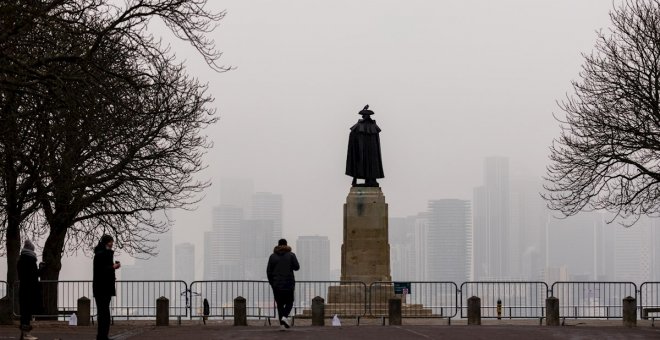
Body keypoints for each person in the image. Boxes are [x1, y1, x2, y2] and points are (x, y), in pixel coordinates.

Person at [346, 104, 385, 187]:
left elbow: (375, 141)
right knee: (361, 163)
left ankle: (371, 179)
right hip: (361, 150)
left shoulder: (372, 126)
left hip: (370, 151)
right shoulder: (360, 126)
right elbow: (353, 137)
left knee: (370, 163)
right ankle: (365, 179)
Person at [266, 239, 300, 329]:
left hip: (276, 285)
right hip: (289, 283)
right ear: (286, 244)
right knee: (290, 302)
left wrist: (272, 283)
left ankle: (282, 325)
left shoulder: (272, 256)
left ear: (278, 245)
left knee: (280, 304)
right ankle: (285, 317)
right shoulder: (291, 255)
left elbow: (268, 271)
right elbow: (297, 267)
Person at [93, 235, 120, 340]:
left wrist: (112, 269)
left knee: (104, 313)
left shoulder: (101, 254)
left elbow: (104, 269)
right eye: (110, 242)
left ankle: (102, 336)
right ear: (106, 242)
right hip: (102, 289)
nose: (112, 243)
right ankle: (102, 336)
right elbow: (102, 270)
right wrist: (113, 267)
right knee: (104, 314)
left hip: (102, 288)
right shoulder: (101, 254)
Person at [17, 240, 43, 340]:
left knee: (24, 312)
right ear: (31, 250)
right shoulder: (30, 260)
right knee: (27, 313)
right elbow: (33, 275)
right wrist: (40, 269)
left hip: (23, 288)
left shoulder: (20, 259)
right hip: (30, 289)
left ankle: (24, 334)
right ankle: (26, 334)